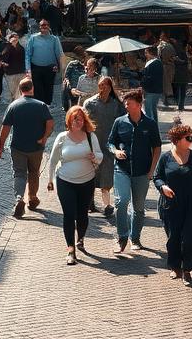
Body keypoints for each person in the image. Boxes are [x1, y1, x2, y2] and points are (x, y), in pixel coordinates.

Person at [107, 88, 162, 253]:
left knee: (138, 208)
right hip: (121, 170)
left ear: (138, 105)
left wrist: (151, 171)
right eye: (125, 102)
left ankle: (135, 237)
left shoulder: (150, 124)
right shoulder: (119, 122)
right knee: (121, 202)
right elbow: (110, 143)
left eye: (129, 103)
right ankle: (122, 237)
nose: (125, 105)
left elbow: (157, 148)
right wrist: (115, 151)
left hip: (142, 173)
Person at [47, 105, 102, 264]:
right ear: (69, 120)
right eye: (74, 119)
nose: (77, 122)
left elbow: (100, 156)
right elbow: (52, 160)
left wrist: (94, 157)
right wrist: (50, 180)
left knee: (82, 215)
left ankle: (81, 238)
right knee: (69, 215)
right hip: (65, 181)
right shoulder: (62, 137)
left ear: (84, 121)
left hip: (87, 181)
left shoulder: (91, 137)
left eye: (80, 119)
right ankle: (71, 249)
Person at [153, 122, 192, 284]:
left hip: (191, 204)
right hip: (170, 205)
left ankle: (187, 269)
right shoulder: (165, 157)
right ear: (177, 140)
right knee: (173, 237)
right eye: (188, 137)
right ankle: (175, 266)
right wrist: (163, 187)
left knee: (189, 238)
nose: (191, 140)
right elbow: (157, 177)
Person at [0, 77, 54, 218]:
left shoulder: (13, 106)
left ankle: (19, 199)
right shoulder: (41, 106)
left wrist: (0, 146)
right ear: (32, 88)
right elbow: (50, 123)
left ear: (20, 90)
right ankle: (32, 197)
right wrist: (45, 137)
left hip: (17, 147)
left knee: (19, 173)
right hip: (36, 146)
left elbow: (5, 128)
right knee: (34, 172)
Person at [83, 75, 122, 218]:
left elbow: (123, 122)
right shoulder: (89, 103)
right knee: (91, 174)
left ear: (111, 87)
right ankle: (90, 202)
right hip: (93, 144)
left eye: (106, 85)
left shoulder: (116, 105)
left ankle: (107, 205)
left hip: (109, 145)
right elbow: (83, 122)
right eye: (101, 85)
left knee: (107, 175)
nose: (103, 87)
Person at [24, 19, 63, 106]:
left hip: (50, 68)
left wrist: (60, 69)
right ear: (39, 27)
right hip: (36, 68)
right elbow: (28, 55)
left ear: (48, 26)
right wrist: (28, 69)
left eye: (45, 25)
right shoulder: (33, 38)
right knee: (38, 89)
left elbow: (59, 55)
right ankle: (39, 106)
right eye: (42, 25)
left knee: (49, 88)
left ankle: (47, 105)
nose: (44, 27)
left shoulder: (54, 39)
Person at [0, 31, 26, 101]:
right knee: (13, 91)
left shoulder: (21, 48)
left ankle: (18, 104)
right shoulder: (7, 48)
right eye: (13, 38)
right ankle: (14, 104)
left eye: (16, 38)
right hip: (11, 73)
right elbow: (3, 58)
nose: (15, 39)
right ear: (10, 39)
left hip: (20, 72)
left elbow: (25, 60)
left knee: (20, 91)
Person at [140, 46, 164, 123]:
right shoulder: (158, 62)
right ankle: (154, 128)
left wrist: (143, 86)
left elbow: (148, 78)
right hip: (157, 90)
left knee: (148, 112)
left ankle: (150, 129)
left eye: (146, 53)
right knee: (153, 110)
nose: (145, 55)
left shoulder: (152, 63)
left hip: (150, 90)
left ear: (151, 53)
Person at [62, 46, 87, 112]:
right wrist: (68, 84)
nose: (82, 58)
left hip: (83, 90)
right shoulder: (72, 64)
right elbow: (66, 76)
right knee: (74, 109)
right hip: (73, 90)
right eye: (81, 56)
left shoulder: (87, 66)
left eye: (84, 56)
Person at [157, 32, 176, 105]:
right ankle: (166, 99)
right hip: (169, 66)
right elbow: (173, 56)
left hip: (164, 66)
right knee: (168, 83)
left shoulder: (161, 46)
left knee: (165, 83)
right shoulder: (169, 46)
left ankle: (166, 99)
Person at [171, 46, 191, 112]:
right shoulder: (185, 55)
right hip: (183, 76)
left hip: (178, 76)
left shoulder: (177, 56)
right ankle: (181, 106)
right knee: (182, 92)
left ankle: (180, 106)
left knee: (178, 92)